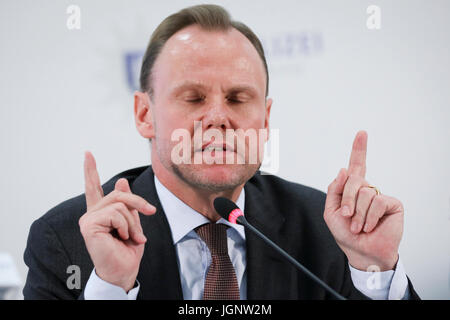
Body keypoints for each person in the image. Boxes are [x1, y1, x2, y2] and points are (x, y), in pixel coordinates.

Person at [23, 4, 419, 300]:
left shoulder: (328, 232)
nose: (217, 118)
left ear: (264, 119)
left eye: (237, 98)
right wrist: (111, 287)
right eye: (193, 97)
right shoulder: (65, 240)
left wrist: (376, 271)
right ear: (145, 115)